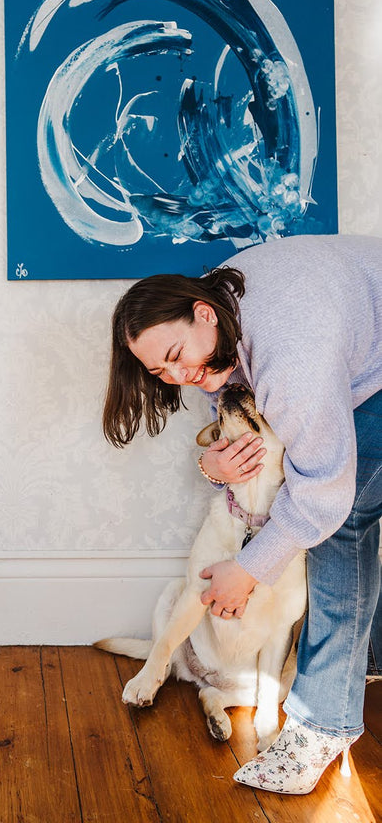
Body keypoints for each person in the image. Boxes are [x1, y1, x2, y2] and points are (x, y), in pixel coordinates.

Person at [102, 233, 382, 795]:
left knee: (344, 527)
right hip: (352, 331)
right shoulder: (219, 308)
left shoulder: (291, 354)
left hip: (357, 357)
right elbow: (228, 386)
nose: (177, 378)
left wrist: (251, 567)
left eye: (177, 357)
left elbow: (322, 492)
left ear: (203, 313)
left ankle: (320, 727)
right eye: (160, 372)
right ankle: (368, 656)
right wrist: (215, 468)